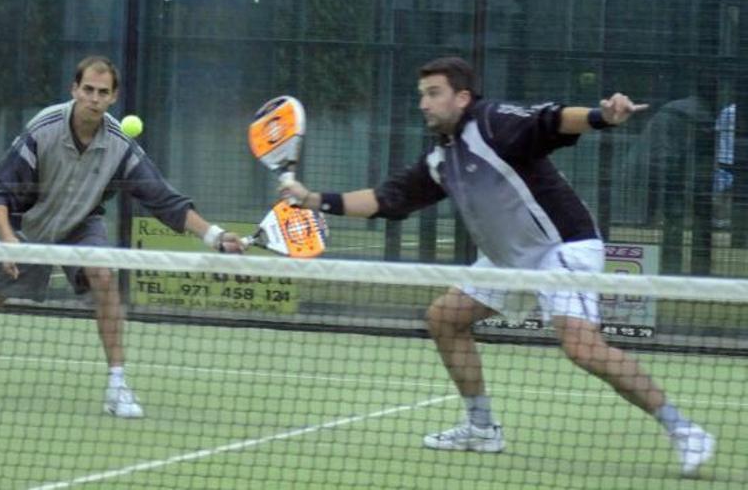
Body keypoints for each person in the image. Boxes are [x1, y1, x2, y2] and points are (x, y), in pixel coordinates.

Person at [280, 56, 714, 476]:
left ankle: (685, 430)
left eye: (433, 93)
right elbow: (385, 200)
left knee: (583, 348)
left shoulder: (494, 123)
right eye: (421, 95)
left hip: (561, 246)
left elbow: (551, 120)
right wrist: (314, 199)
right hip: (508, 259)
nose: (423, 103)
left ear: (463, 97)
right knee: (445, 319)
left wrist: (604, 117)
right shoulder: (440, 160)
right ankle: (482, 428)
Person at [0, 56, 245, 418]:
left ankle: (117, 385)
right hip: (29, 227)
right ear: (74, 89)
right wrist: (8, 241)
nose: (94, 98)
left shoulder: (120, 145)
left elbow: (163, 199)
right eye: (88, 90)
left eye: (103, 92)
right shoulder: (44, 129)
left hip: (81, 225)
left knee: (104, 275)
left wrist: (215, 236)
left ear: (114, 97)